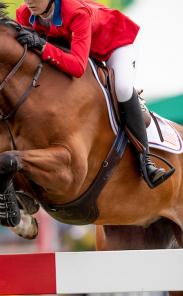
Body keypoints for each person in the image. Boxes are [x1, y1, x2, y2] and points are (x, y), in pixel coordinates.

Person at [16, 0, 173, 188]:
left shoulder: (76, 12)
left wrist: (42, 46)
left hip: (114, 45)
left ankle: (146, 161)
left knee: (122, 89)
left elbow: (76, 67)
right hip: (82, 49)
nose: (29, 2)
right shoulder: (24, 14)